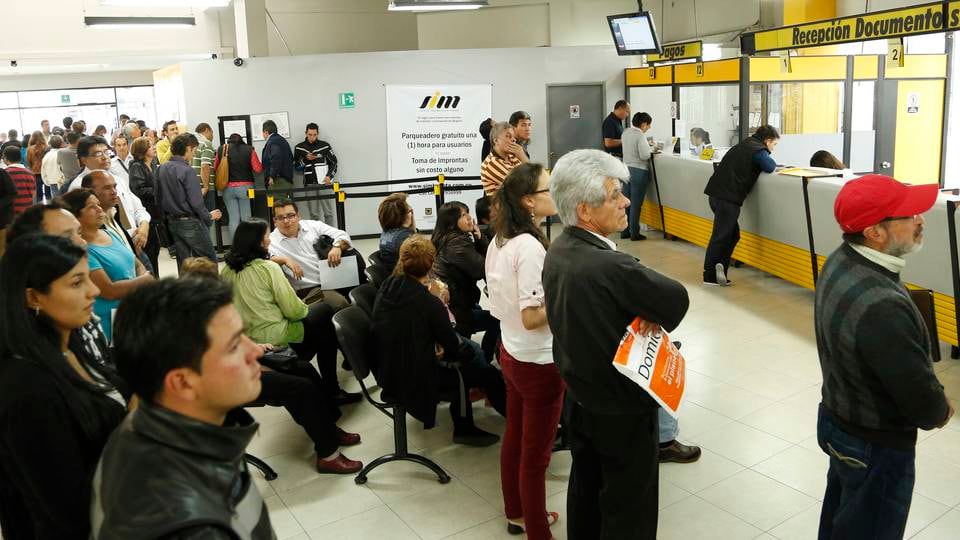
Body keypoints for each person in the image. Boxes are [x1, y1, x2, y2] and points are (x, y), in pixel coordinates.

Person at [543, 149, 690, 540]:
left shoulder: (558, 250)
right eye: (614, 196)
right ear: (586, 211)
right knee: (630, 510)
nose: (626, 201)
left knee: (586, 496)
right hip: (622, 411)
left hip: (581, 399)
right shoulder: (611, 267)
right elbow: (676, 299)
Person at [815, 174, 953, 539]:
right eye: (909, 215)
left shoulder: (839, 260)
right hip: (873, 443)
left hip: (838, 417)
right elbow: (918, 395)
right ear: (875, 232)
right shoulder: (882, 304)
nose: (921, 219)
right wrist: (941, 410)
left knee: (841, 519)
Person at [91, 278, 275, 538]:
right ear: (182, 382)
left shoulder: (146, 425)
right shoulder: (190, 528)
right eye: (234, 346)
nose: (255, 350)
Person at [0, 234, 127, 539]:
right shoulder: (27, 389)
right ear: (33, 297)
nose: (94, 291)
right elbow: (69, 509)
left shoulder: (72, 342)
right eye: (76, 283)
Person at [486, 163, 562, 540]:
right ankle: (537, 532)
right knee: (536, 457)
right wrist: (567, 301)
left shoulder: (498, 239)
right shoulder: (529, 247)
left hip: (511, 352)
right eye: (549, 189)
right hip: (537, 361)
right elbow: (533, 317)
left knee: (515, 437)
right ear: (529, 201)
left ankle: (516, 511)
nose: (556, 193)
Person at [372, 235, 507, 446]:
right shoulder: (429, 303)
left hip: (388, 368)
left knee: (470, 356)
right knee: (482, 367)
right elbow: (455, 348)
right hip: (415, 377)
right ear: (431, 264)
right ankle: (468, 428)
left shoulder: (388, 286)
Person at [222, 218, 361, 406]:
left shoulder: (225, 272)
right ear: (259, 242)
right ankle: (333, 389)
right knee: (324, 317)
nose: (269, 240)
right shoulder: (268, 268)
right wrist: (304, 305)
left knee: (322, 319)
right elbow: (295, 312)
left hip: (249, 340)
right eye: (265, 236)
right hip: (279, 338)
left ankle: (335, 387)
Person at [61, 188, 153, 341]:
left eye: (98, 204)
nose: (99, 209)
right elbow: (108, 290)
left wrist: (141, 278)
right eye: (91, 207)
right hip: (109, 323)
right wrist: (145, 281)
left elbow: (136, 262)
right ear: (76, 215)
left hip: (132, 314)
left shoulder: (108, 233)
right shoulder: (83, 250)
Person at [702, 125, 780, 286]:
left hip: (717, 194)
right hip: (727, 198)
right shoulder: (758, 149)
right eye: (774, 144)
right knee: (721, 235)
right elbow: (770, 166)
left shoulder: (745, 144)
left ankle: (720, 268)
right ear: (768, 140)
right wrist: (767, 154)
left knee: (731, 235)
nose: (773, 148)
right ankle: (710, 275)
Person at [432, 201, 500, 363]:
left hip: (457, 303)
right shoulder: (456, 243)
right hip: (457, 310)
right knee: (497, 320)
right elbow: (483, 268)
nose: (470, 218)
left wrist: (478, 238)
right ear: (451, 221)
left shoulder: (448, 238)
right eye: (463, 215)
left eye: (468, 213)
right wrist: (481, 239)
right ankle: (483, 362)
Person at [267, 200, 351, 311]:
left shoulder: (312, 226)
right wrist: (284, 259)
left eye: (290, 216)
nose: (286, 221)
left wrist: (337, 247)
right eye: (281, 217)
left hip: (335, 277)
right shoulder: (272, 241)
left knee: (364, 294)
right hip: (311, 290)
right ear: (275, 221)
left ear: (298, 216)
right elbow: (264, 259)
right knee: (340, 304)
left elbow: (342, 235)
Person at [156, 133, 222, 272]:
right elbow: (196, 203)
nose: (194, 154)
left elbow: (158, 198)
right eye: (194, 150)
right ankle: (213, 291)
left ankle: (187, 291)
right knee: (208, 261)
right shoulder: (188, 171)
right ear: (188, 149)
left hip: (172, 222)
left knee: (184, 264)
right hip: (190, 222)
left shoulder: (161, 169)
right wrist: (209, 216)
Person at [216, 133, 263, 240]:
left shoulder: (221, 149)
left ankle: (235, 248)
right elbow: (257, 169)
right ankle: (248, 247)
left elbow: (216, 167)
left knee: (233, 220)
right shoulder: (249, 149)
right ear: (242, 140)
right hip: (246, 189)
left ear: (229, 141)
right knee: (247, 219)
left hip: (227, 189)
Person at [127, 136, 163, 274]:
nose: (153, 147)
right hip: (147, 213)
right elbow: (139, 189)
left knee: (155, 250)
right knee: (150, 252)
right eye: (150, 146)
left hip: (155, 212)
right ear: (142, 150)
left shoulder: (152, 163)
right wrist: (159, 192)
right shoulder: (137, 166)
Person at [294, 122, 338, 224]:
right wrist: (306, 159)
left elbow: (334, 162)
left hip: (324, 182)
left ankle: (329, 236)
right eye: (310, 134)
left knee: (328, 212)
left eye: (314, 135)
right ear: (306, 133)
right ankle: (317, 237)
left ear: (318, 134)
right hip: (309, 184)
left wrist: (329, 176)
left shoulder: (325, 146)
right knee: (314, 214)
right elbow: (296, 167)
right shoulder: (299, 147)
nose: (312, 137)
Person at [621, 112, 654, 241]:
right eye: (649, 125)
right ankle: (634, 233)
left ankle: (624, 231)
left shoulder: (626, 132)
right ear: (644, 124)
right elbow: (644, 155)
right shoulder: (640, 135)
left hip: (625, 170)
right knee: (636, 204)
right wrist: (651, 149)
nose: (649, 128)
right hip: (639, 171)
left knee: (626, 202)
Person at [481, 121, 527, 196]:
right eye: (508, 136)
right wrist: (522, 156)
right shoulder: (491, 162)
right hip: (504, 207)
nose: (514, 140)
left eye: (513, 137)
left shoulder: (512, 157)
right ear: (496, 141)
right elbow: (523, 185)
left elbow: (532, 176)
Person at [377, 192, 415, 269]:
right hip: (406, 278)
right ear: (404, 216)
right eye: (410, 211)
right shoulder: (405, 238)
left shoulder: (386, 233)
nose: (411, 213)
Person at [262, 119, 294, 190]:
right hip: (284, 180)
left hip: (278, 182)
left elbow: (276, 157)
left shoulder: (273, 142)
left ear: (266, 132)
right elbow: (291, 158)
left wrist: (272, 176)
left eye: (263, 133)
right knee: (286, 201)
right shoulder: (281, 140)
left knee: (277, 200)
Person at [4, 145, 35, 217]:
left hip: (10, 213)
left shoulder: (4, 173)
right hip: (27, 212)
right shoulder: (30, 173)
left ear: (5, 158)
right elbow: (33, 193)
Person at [192, 122, 217, 212]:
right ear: (207, 130)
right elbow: (205, 166)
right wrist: (206, 186)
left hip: (194, 186)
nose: (212, 135)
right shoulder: (206, 144)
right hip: (205, 187)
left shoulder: (192, 144)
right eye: (212, 132)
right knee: (210, 217)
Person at [26, 131, 47, 202]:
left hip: (35, 173)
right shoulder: (46, 147)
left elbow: (28, 163)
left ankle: (38, 210)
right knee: (48, 193)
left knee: (38, 194)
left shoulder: (29, 149)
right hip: (46, 172)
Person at [41, 134, 64, 199]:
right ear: (61, 144)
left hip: (52, 182)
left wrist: (47, 182)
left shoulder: (46, 156)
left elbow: (43, 171)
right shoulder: (63, 154)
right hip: (63, 182)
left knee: (56, 203)